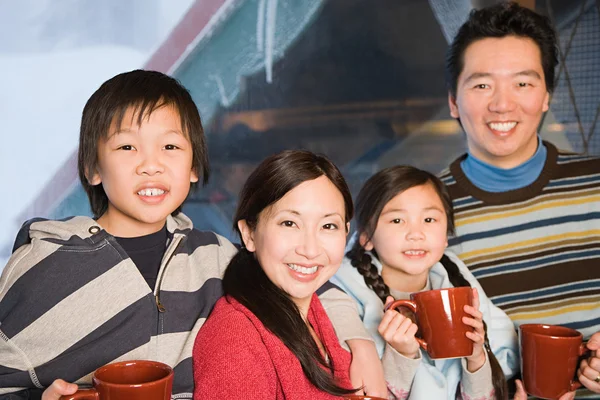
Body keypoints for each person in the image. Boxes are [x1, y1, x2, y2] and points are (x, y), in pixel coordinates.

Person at [0, 71, 380, 399]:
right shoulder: (44, 264)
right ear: (92, 168)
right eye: (127, 146)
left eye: (170, 146)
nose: (151, 165)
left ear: (194, 166)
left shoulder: (214, 256)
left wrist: (358, 341)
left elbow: (303, 275)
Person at [440, 2, 600, 397]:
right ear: (453, 102)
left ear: (547, 95)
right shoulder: (421, 215)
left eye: (523, 83)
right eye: (482, 85)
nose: (502, 104)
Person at [332, 166, 518, 399]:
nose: (416, 234)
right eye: (397, 220)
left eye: (429, 219)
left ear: (447, 234)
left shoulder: (456, 277)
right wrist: (401, 354)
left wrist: (476, 356)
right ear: (366, 236)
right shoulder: (341, 299)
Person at [193, 150, 359, 399]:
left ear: (346, 231)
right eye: (289, 223)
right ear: (249, 234)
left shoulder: (309, 308)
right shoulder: (235, 341)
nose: (310, 250)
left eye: (328, 226)